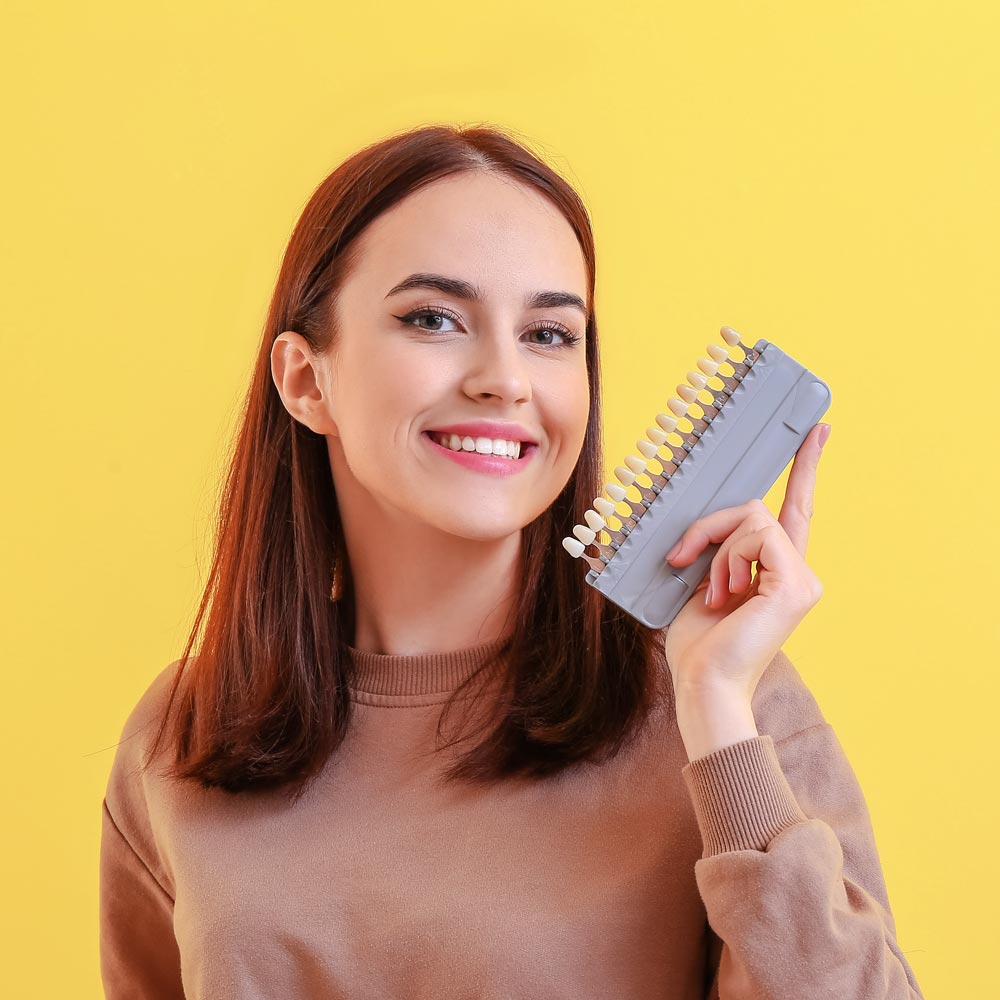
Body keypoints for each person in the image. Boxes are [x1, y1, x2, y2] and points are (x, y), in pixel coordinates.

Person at [99, 123, 925, 998]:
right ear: (307, 381)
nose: (505, 377)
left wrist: (717, 711)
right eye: (433, 319)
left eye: (549, 334)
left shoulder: (722, 710)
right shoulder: (178, 736)